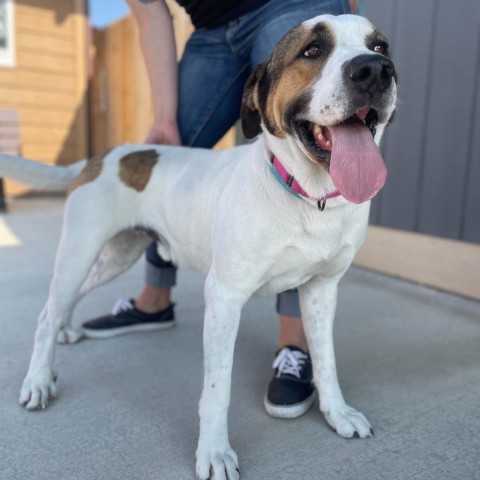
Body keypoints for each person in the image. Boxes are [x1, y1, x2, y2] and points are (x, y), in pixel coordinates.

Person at [82, 0, 353, 418]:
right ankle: (154, 299)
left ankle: (293, 348)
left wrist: (345, 20)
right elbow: (150, 10)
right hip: (210, 29)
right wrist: (164, 119)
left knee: (310, 144)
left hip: (291, 5)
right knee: (168, 165)